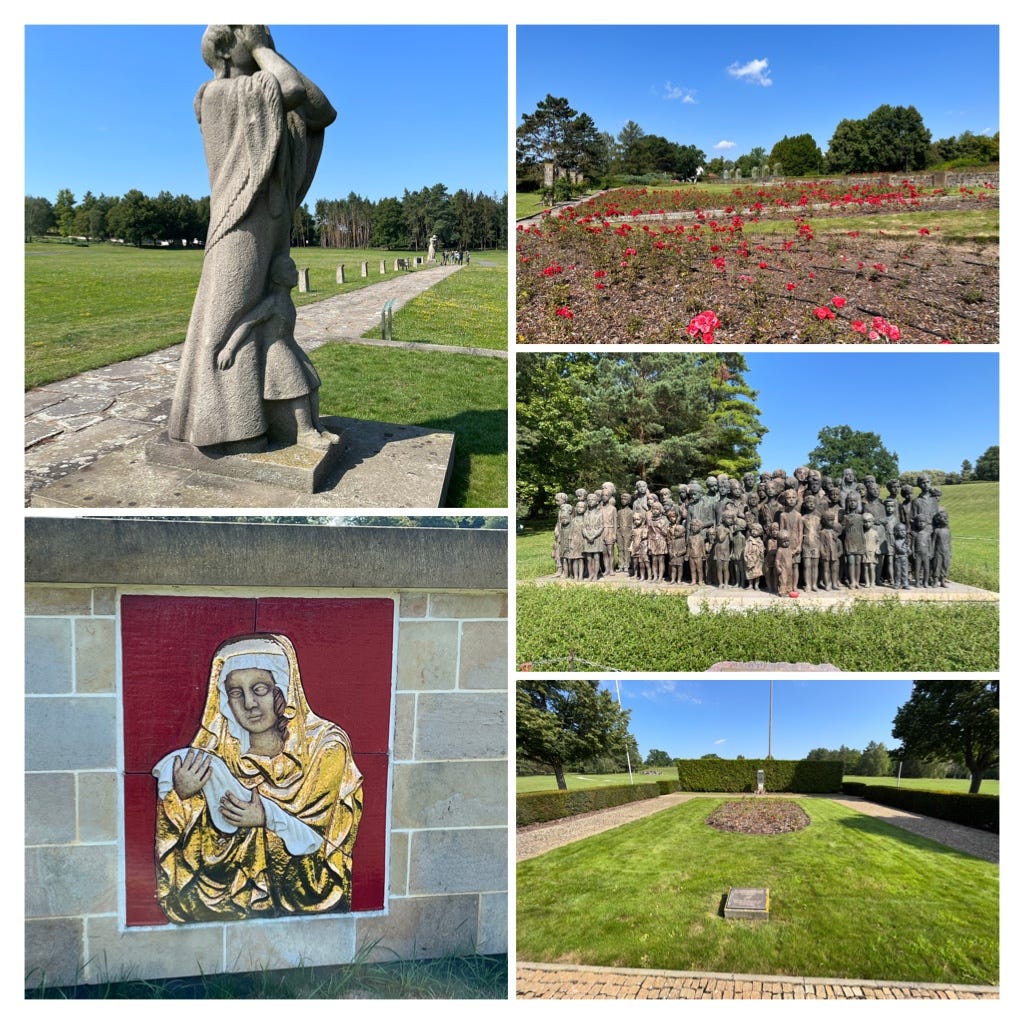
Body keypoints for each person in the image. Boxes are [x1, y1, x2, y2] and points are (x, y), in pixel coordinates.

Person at [169, 25, 337, 451]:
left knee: (247, 317)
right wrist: (262, 47)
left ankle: (257, 421)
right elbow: (293, 90)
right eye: (253, 33)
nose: (265, 42)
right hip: (239, 222)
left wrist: (261, 45)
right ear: (227, 47)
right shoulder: (214, 95)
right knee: (227, 319)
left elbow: (322, 112)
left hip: (268, 221)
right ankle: (228, 431)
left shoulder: (261, 92)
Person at [152, 633, 362, 921]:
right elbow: (197, 846)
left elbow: (317, 839)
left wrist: (266, 817)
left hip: (303, 888)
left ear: (282, 691)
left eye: (260, 688)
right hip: (228, 893)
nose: (249, 703)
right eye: (236, 693)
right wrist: (181, 795)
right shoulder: (215, 755)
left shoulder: (325, 747)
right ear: (224, 701)